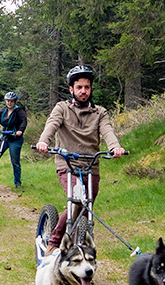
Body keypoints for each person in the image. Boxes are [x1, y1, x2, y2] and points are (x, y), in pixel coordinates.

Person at [35, 66, 126, 253]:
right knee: (76, 199)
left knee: (86, 207)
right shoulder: (62, 108)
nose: (83, 91)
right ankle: (54, 242)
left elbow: (107, 130)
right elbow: (51, 124)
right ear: (71, 89)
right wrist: (44, 141)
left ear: (91, 89)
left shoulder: (100, 112)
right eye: (79, 87)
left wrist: (114, 147)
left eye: (87, 87)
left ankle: (78, 248)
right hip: (66, 163)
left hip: (91, 164)